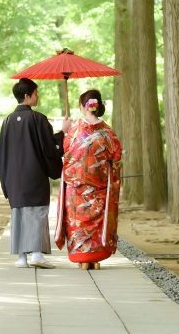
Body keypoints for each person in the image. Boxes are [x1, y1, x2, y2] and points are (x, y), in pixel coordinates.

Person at [0, 78, 71, 269]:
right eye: (36, 93)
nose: (38, 96)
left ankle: (21, 258)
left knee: (18, 214)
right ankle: (36, 254)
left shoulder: (8, 120)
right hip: (34, 174)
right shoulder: (38, 119)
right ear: (27, 96)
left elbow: (1, 151)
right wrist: (63, 132)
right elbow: (49, 149)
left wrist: (4, 177)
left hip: (13, 177)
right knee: (36, 213)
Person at [54, 89, 122, 269]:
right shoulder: (108, 132)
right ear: (97, 106)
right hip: (99, 187)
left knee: (77, 221)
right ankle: (96, 258)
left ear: (84, 107)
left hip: (76, 188)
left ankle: (81, 258)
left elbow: (66, 150)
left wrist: (65, 130)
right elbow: (116, 157)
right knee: (98, 220)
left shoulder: (74, 130)